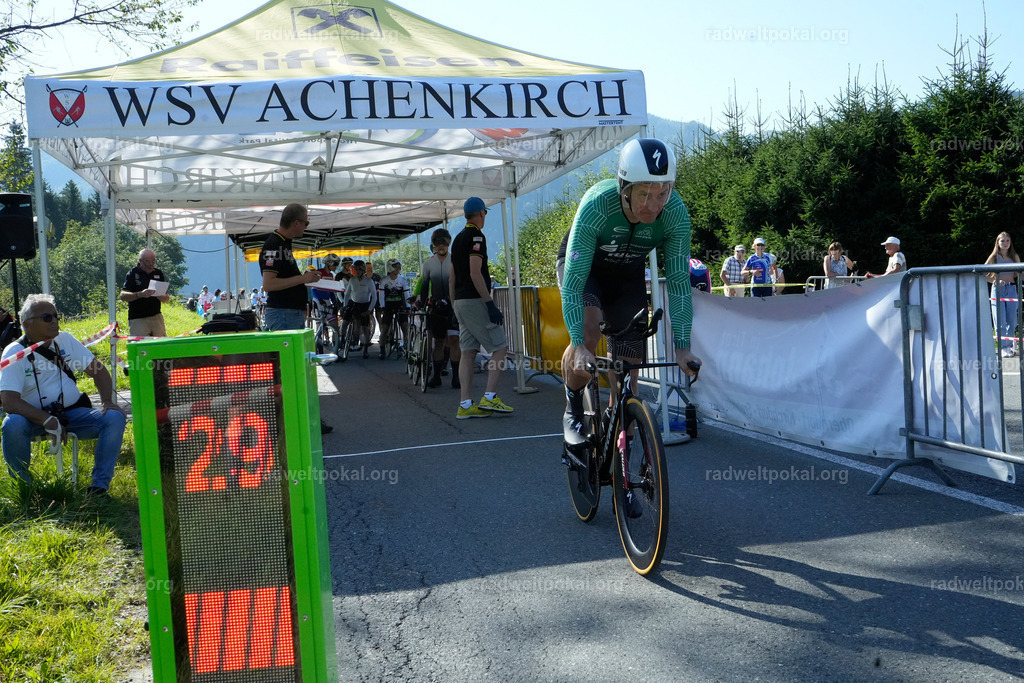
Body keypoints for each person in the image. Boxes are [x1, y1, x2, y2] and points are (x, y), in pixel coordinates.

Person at [557, 138, 701, 450]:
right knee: (589, 329)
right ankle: (573, 405)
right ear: (625, 188)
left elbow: (677, 284)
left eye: (663, 193)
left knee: (628, 366)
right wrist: (580, 345)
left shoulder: (675, 213)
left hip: (626, 275)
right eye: (645, 194)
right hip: (585, 270)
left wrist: (682, 348)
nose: (654, 204)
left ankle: (618, 424)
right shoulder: (598, 204)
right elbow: (572, 284)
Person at [0, 294, 127, 497]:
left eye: (56, 316)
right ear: (27, 324)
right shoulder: (14, 352)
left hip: (71, 414)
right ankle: (25, 491)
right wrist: (46, 419)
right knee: (12, 424)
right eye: (47, 317)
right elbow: (9, 402)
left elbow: (99, 370)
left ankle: (99, 488)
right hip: (32, 420)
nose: (54, 321)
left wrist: (107, 402)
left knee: (114, 417)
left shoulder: (65, 340)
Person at [259, 203, 332, 434]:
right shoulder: (273, 246)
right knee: (287, 370)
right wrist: (302, 279)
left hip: (290, 312)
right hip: (281, 314)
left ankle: (302, 418)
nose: (307, 227)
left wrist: (304, 281)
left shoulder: (283, 244)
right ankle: (286, 423)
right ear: (296, 222)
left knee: (298, 368)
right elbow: (268, 284)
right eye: (306, 222)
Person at [449, 196, 513, 419]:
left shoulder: (457, 239)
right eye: (484, 213)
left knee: (468, 351)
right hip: (476, 300)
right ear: (481, 213)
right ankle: (490, 397)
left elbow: (453, 277)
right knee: (500, 346)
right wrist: (489, 303)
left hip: (459, 301)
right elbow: (475, 272)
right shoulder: (477, 236)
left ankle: (465, 405)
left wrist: (454, 305)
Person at [415, 228, 462, 388]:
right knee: (439, 342)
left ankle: (456, 377)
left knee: (455, 341)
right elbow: (424, 285)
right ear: (433, 245)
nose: (441, 245)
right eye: (437, 243)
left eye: (445, 242)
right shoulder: (428, 263)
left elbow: (461, 283)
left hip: (453, 306)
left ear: (449, 243)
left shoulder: (456, 260)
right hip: (435, 306)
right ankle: (437, 376)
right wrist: (421, 304)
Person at [119, 248, 170, 336]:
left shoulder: (158, 273)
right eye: (147, 261)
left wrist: (162, 297)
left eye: (153, 261)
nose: (151, 264)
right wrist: (140, 294)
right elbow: (123, 296)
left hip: (156, 317)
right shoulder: (133, 273)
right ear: (140, 261)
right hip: (138, 319)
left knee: (161, 346)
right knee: (141, 348)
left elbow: (166, 298)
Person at [985, 232, 1020, 357]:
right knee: (1000, 320)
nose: (1005, 243)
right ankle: (1003, 347)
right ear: (998, 243)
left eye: (1007, 241)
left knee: (1012, 321)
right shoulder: (994, 257)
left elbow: (1020, 273)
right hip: (997, 290)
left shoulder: (1014, 256)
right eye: (1002, 241)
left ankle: (1009, 345)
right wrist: (994, 280)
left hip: (1011, 289)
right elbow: (983, 273)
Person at [342, 259, 377, 359]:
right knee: (344, 323)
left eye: (359, 270)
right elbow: (347, 294)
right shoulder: (352, 280)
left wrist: (369, 310)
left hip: (364, 305)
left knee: (365, 328)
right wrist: (345, 306)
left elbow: (374, 297)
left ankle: (365, 348)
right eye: (355, 270)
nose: (357, 272)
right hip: (353, 304)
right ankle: (342, 340)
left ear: (363, 270)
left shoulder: (369, 281)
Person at [377, 258, 411, 359]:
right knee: (384, 329)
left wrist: (408, 307)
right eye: (395, 267)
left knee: (405, 327)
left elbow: (406, 294)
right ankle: (382, 350)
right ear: (390, 268)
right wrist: (382, 306)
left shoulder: (403, 280)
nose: (398, 269)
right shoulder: (384, 280)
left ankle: (407, 347)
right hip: (388, 306)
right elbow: (381, 295)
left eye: (399, 267)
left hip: (400, 305)